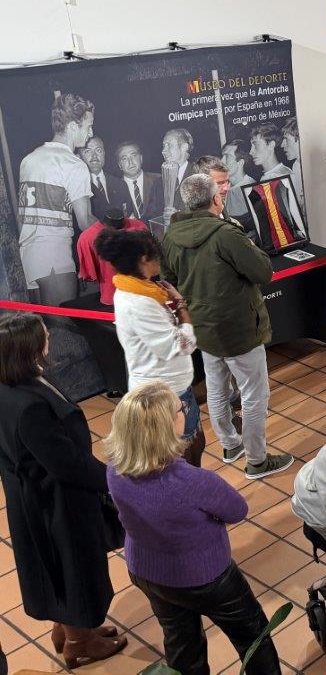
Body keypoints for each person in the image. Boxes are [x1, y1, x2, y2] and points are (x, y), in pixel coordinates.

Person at [105, 382, 281, 675]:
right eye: (181, 408)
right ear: (166, 427)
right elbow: (237, 510)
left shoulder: (114, 469)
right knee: (252, 636)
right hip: (204, 575)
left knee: (181, 642)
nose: (186, 410)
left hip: (147, 571)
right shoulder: (191, 481)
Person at [0, 312, 127, 669]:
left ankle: (67, 629)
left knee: (56, 570)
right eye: (44, 336)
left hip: (33, 498)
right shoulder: (29, 407)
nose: (49, 339)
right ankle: (78, 643)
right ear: (28, 349)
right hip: (58, 503)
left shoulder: (11, 386)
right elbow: (67, 463)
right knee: (74, 568)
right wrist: (113, 480)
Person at [162, 173, 294, 479]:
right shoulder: (226, 234)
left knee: (216, 387)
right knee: (254, 395)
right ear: (216, 199)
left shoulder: (170, 235)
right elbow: (263, 272)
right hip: (239, 327)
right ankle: (257, 461)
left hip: (203, 327)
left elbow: (170, 281)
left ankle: (230, 445)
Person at [95, 227, 204, 467]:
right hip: (165, 395)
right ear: (144, 259)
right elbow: (183, 345)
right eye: (157, 257)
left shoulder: (143, 292)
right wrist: (181, 305)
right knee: (182, 459)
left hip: (171, 388)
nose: (160, 262)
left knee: (193, 447)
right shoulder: (139, 303)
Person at [17, 92, 98, 305]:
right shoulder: (74, 164)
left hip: (30, 257)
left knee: (43, 325)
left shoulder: (29, 159)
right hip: (54, 256)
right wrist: (120, 235)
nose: (91, 133)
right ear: (72, 127)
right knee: (65, 325)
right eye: (88, 126)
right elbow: (85, 220)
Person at [248, 123, 306, 236]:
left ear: (271, 145)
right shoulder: (284, 171)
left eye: (255, 145)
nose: (251, 152)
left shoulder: (276, 178)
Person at [116, 140, 165, 223]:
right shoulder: (115, 190)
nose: (130, 162)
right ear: (120, 165)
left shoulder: (159, 179)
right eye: (124, 158)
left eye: (133, 155)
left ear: (141, 158)